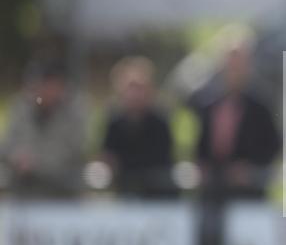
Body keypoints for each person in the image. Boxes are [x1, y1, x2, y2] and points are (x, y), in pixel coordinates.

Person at [194, 40, 281, 245]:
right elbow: (200, 144)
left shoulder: (261, 105)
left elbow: (273, 146)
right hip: (214, 183)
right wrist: (202, 165)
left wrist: (250, 169)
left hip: (249, 186)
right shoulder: (208, 103)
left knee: (248, 242)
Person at [0, 60, 86, 197]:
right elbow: (7, 145)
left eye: (51, 86)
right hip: (23, 191)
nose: (45, 92)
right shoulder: (20, 108)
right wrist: (16, 157)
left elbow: (74, 151)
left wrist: (35, 162)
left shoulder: (75, 112)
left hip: (63, 193)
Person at [100, 56, 176, 198]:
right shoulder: (114, 121)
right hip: (125, 191)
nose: (135, 94)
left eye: (140, 88)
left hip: (158, 194)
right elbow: (108, 157)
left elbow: (162, 160)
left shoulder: (161, 120)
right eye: (131, 88)